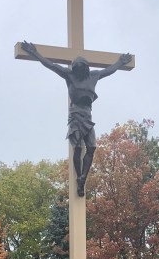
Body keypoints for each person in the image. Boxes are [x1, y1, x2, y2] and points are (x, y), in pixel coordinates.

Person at [21, 41, 132, 196]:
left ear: (86, 68)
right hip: (75, 115)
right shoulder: (69, 75)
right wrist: (35, 53)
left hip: (88, 116)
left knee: (92, 148)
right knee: (78, 147)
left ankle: (82, 179)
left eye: (82, 67)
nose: (79, 70)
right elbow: (51, 65)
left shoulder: (94, 75)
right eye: (77, 67)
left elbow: (109, 70)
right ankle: (79, 176)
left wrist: (121, 62)